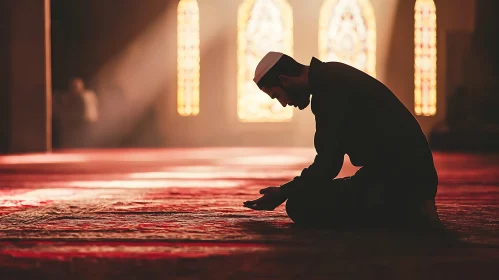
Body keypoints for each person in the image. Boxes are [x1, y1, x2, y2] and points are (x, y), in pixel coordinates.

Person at [243, 52, 441, 229]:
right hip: (404, 174)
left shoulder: (328, 92)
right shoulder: (331, 76)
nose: (284, 103)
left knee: (300, 204)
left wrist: (282, 192)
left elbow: (328, 164)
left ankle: (406, 210)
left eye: (277, 96)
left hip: (401, 179)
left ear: (285, 80)